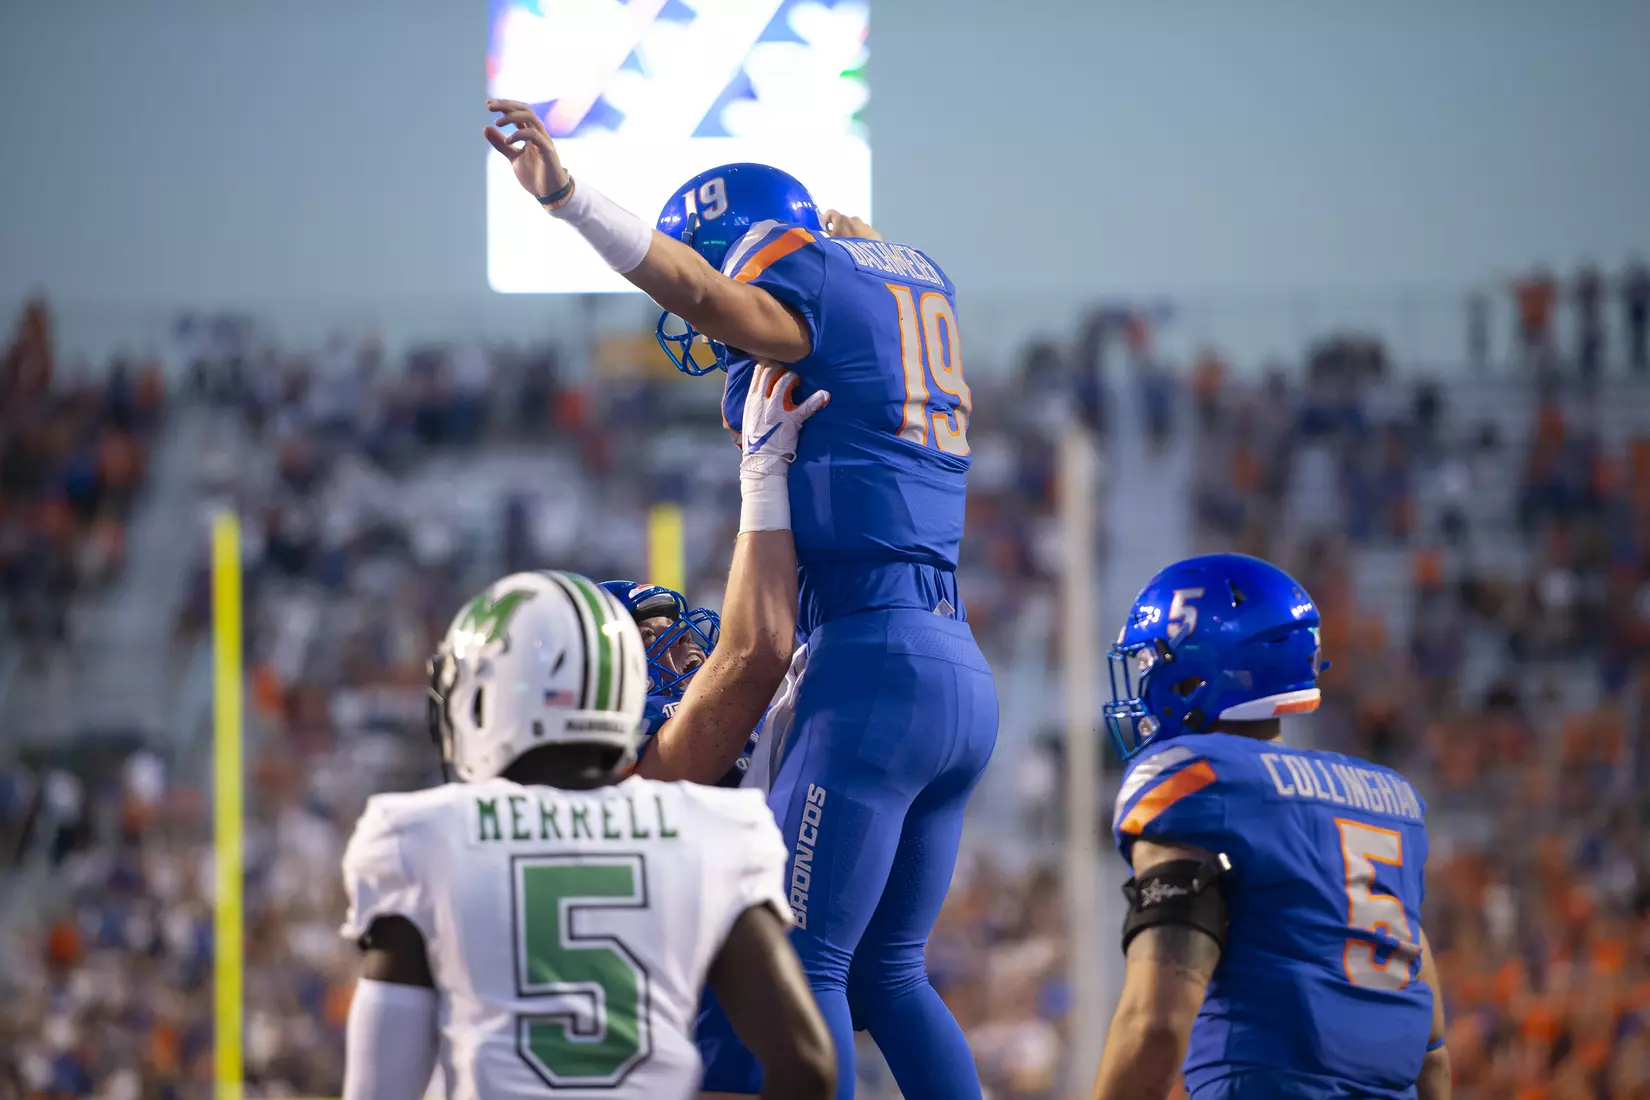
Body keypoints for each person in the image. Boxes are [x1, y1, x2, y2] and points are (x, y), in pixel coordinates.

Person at [485, 103, 998, 1100]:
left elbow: (700, 290)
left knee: (810, 970)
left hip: (867, 665)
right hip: (954, 661)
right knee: (891, 976)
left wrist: (570, 199)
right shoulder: (901, 287)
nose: (698, 328)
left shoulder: (791, 301)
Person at [338, 369, 835, 1100]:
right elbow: (752, 654)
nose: (687, 660)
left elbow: (378, 1089)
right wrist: (766, 476)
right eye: (657, 645)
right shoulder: (704, 824)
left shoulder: (418, 836)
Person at [1090, 553, 1448, 1100]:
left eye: (1152, 662)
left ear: (1197, 671)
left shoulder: (1198, 781)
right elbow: (1433, 1055)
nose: (1144, 681)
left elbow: (1154, 1027)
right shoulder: (1388, 800)